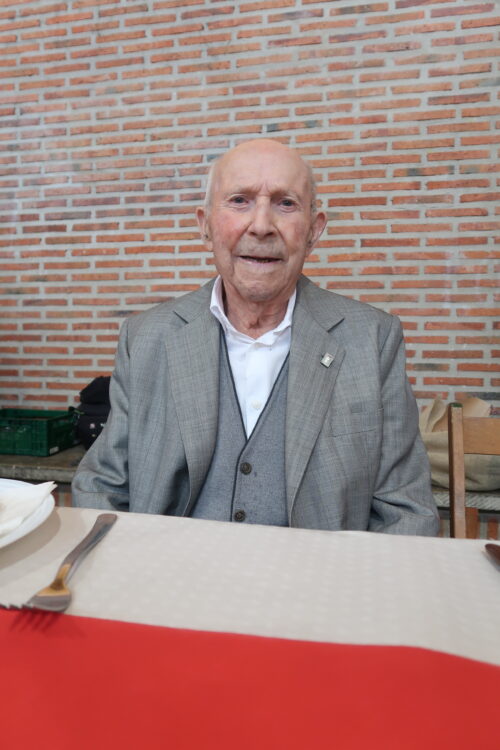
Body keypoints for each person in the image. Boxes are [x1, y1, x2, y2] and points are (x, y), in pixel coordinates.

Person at [72, 139, 439, 535]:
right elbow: (102, 485)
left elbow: (407, 512)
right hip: (171, 570)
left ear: (314, 231)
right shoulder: (145, 338)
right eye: (239, 201)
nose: (261, 225)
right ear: (205, 226)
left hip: (320, 574)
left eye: (286, 203)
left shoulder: (372, 340)